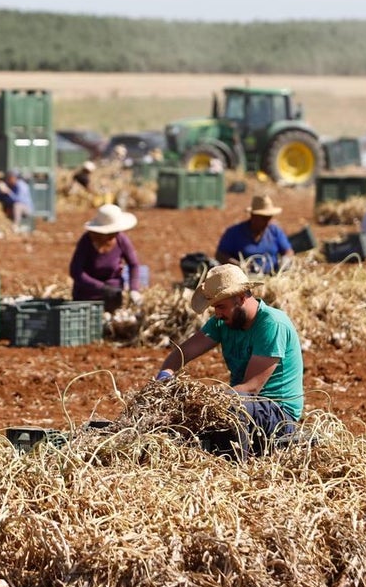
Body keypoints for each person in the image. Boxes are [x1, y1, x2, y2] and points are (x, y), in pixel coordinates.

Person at [155, 263, 305, 459]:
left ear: (241, 298)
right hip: (242, 404)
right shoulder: (222, 322)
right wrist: (164, 378)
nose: (217, 313)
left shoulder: (271, 324)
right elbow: (181, 354)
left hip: (277, 413)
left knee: (232, 407)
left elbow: (251, 388)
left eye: (220, 306)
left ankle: (236, 468)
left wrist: (205, 402)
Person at [69, 203, 142, 311]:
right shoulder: (86, 241)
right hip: (86, 296)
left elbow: (134, 264)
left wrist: (134, 289)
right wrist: (101, 288)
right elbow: (76, 271)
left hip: (113, 296)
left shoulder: (121, 239)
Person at [215, 194, 294, 274]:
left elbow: (288, 251)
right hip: (245, 277)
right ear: (253, 216)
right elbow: (220, 255)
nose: (267, 222)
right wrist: (239, 266)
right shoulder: (234, 233)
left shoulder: (274, 231)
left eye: (269, 218)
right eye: (264, 219)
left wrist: (285, 260)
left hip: (272, 276)